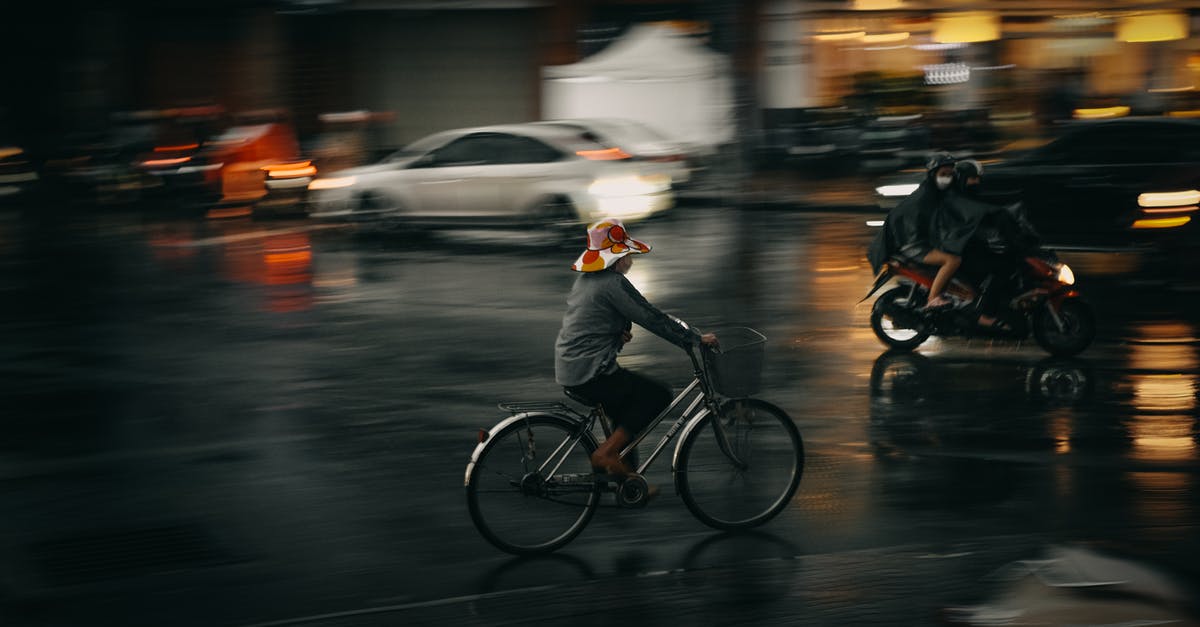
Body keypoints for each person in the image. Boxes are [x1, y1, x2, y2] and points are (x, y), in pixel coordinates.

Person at [554, 217, 719, 478]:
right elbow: (650, 317)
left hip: (572, 367)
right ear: (616, 258)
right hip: (590, 373)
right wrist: (695, 339)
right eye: (627, 253)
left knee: (626, 413)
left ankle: (626, 481)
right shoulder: (613, 284)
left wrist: (615, 332)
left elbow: (591, 319)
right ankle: (605, 454)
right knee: (657, 395)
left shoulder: (587, 280)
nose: (630, 260)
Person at [867, 151, 962, 309]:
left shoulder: (938, 193)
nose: (947, 178)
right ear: (933, 174)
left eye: (950, 174)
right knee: (952, 260)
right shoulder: (926, 196)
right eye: (943, 174)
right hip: (913, 245)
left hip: (921, 241)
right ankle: (933, 298)